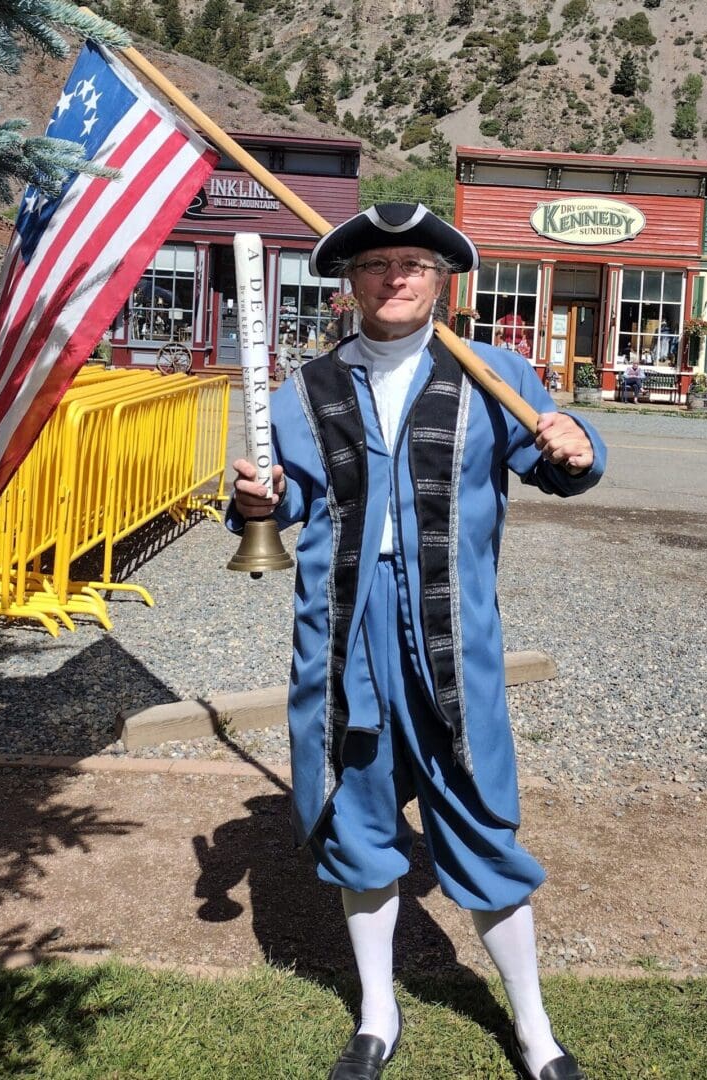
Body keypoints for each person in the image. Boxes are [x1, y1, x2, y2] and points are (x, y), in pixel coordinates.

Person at [229, 203, 605, 1080]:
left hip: (449, 633)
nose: (393, 277)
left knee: (476, 813)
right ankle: (375, 1015)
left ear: (442, 280)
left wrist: (577, 445)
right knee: (356, 819)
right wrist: (255, 500)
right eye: (374, 266)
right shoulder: (304, 391)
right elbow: (274, 502)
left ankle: (534, 1029)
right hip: (340, 637)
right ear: (349, 283)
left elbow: (558, 465)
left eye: (413, 264)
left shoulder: (491, 372)